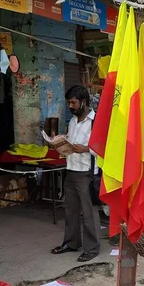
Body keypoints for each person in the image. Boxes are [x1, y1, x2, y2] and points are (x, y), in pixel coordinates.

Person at [52, 84, 100, 262]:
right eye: (69, 103)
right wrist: (60, 144)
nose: (70, 106)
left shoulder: (96, 121)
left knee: (88, 212)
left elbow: (105, 148)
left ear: (84, 102)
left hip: (86, 172)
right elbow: (72, 143)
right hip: (71, 168)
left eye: (73, 102)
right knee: (70, 210)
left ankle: (92, 247)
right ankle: (71, 242)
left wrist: (86, 149)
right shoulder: (73, 121)